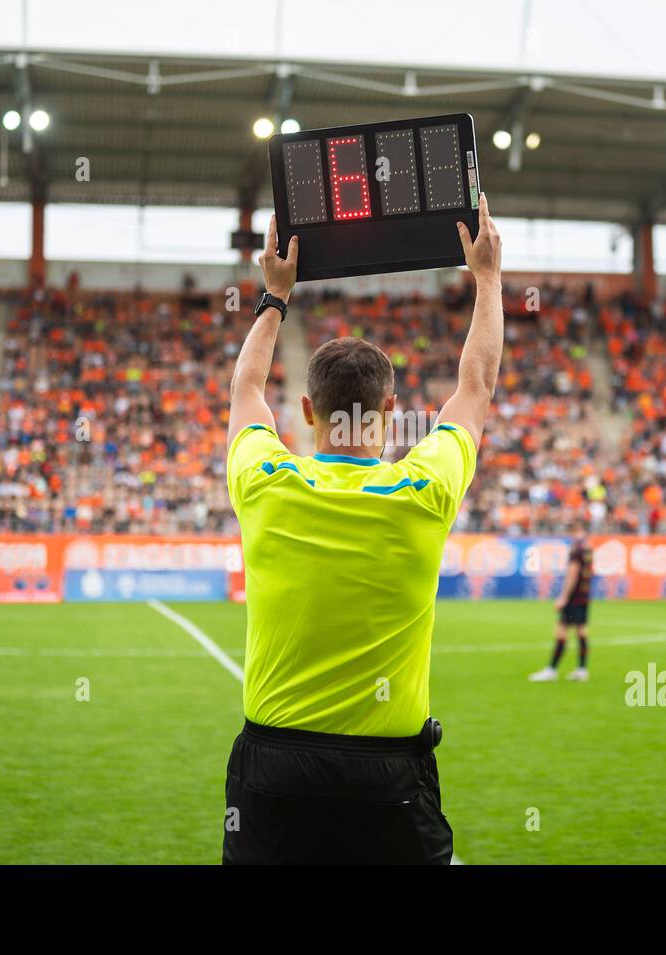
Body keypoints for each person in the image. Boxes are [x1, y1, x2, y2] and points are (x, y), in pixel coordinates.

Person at [222, 197, 503, 864]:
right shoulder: (422, 489)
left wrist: (274, 296)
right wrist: (487, 278)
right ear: (391, 409)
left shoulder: (267, 481)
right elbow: (477, 384)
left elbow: (243, 391)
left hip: (274, 766)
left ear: (308, 409)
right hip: (389, 779)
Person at [529, 529, 593, 682]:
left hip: (573, 597)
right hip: (584, 596)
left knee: (561, 630)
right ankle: (582, 669)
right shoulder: (587, 551)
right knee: (581, 630)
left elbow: (572, 574)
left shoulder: (576, 552)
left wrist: (563, 597)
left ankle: (552, 669)